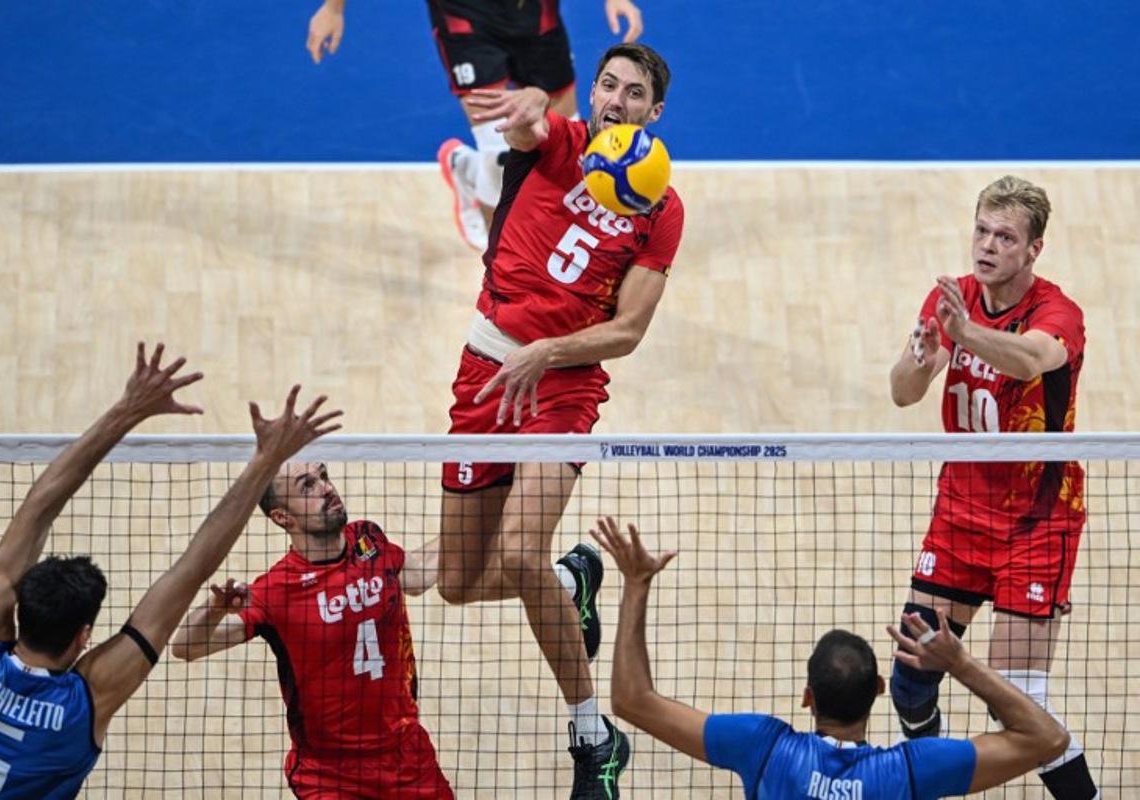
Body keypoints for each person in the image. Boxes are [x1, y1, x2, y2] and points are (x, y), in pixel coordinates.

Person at [434, 42, 682, 799]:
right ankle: (575, 577)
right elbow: (535, 120)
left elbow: (629, 330)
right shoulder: (566, 143)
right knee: (454, 582)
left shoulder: (662, 211)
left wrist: (550, 352)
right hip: (487, 364)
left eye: (633, 92)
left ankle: (593, 734)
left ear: (654, 111)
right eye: (607, 85)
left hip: (562, 383)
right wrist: (535, 101)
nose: (615, 99)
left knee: (515, 553)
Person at [0, 343, 342, 799]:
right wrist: (265, 461)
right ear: (83, 637)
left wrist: (126, 410)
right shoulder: (83, 704)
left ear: (20, 611)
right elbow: (188, 573)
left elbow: (37, 508)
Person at [590, 515, 1072, 799]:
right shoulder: (909, 770)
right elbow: (1047, 738)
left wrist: (637, 586)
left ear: (808, 697)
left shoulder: (764, 748)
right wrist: (960, 664)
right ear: (880, 691)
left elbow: (633, 700)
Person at [888, 175, 1098, 799]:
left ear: (1034, 250)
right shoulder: (949, 300)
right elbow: (903, 393)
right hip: (961, 510)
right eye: (981, 230)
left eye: (1005, 237)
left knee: (1018, 705)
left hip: (1038, 521)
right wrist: (924, 355)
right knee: (909, 676)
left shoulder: (1059, 315)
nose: (987, 246)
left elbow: (1029, 360)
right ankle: (930, 778)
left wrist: (964, 331)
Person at [170, 461, 451, 799]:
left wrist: (478, 520)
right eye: (308, 486)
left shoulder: (368, 540)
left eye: (324, 476)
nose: (326, 488)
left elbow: (417, 577)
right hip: (332, 776)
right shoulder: (276, 591)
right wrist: (214, 610)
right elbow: (185, 645)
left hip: (407, 757)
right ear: (282, 517)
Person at [304, 0, 645, 251]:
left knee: (564, 136)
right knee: (499, 157)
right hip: (465, 17)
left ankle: (466, 173)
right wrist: (334, 8)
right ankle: (498, 270)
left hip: (534, 16)